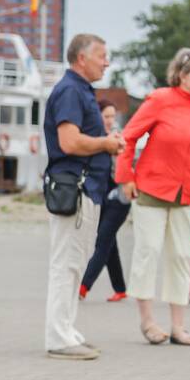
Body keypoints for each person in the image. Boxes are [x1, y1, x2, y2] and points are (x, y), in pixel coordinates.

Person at [116, 48, 190, 345]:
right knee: (148, 252)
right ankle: (148, 321)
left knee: (180, 256)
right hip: (151, 189)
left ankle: (178, 325)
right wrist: (126, 176)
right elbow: (128, 137)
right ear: (182, 75)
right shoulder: (160, 100)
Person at [42, 34, 125, 360]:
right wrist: (105, 144)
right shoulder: (70, 90)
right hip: (74, 188)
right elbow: (70, 142)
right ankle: (58, 337)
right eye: (102, 55)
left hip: (85, 188)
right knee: (66, 264)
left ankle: (66, 329)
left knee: (75, 263)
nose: (106, 62)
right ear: (81, 58)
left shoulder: (80, 90)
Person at [80, 98, 129, 302]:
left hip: (120, 199)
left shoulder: (118, 139)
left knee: (102, 241)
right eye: (106, 116)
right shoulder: (96, 139)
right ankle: (120, 289)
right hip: (102, 197)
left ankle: (82, 287)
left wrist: (117, 152)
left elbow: (125, 167)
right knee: (110, 243)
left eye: (112, 116)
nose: (109, 120)